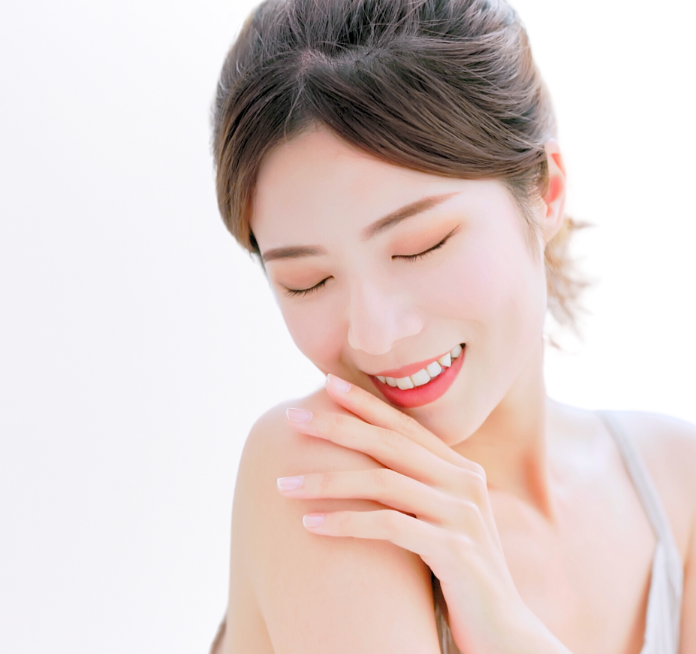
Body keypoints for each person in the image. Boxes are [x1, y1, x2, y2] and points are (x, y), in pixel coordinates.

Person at [207, 0, 696, 652]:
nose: (375, 334)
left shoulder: (676, 484)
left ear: (545, 191)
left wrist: (508, 629)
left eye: (421, 246)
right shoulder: (319, 475)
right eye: (309, 281)